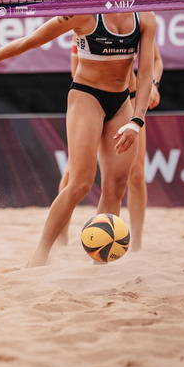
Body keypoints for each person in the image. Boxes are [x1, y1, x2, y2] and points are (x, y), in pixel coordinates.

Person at [0, 0, 156, 267]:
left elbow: (146, 74)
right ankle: (39, 257)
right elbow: (31, 40)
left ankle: (100, 264)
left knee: (117, 184)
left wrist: (137, 121)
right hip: (87, 97)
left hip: (122, 100)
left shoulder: (145, 16)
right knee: (80, 183)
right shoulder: (83, 12)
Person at [57, 41, 164, 251]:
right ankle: (61, 237)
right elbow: (76, 69)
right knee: (73, 174)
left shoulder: (137, 24)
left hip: (130, 100)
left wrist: (153, 85)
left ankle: (137, 245)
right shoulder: (88, 27)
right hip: (93, 100)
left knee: (136, 175)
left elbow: (156, 61)